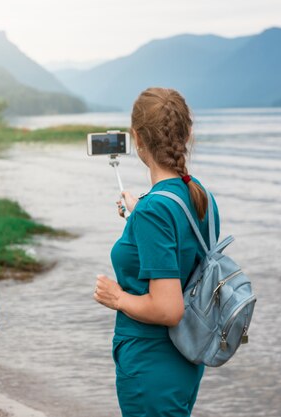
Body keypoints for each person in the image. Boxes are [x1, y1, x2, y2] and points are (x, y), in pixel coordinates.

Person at [93, 88, 219, 417]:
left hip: (152, 361)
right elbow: (182, 248)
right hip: (186, 357)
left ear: (136, 138)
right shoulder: (198, 195)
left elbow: (168, 308)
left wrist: (115, 297)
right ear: (187, 133)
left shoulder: (155, 210)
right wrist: (139, 212)